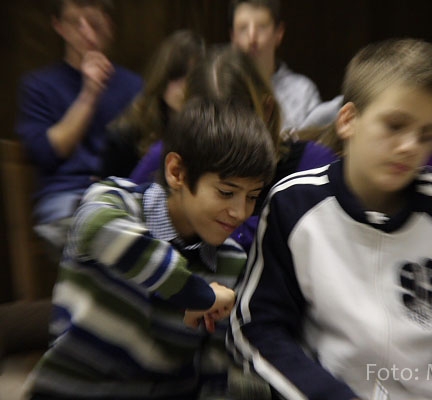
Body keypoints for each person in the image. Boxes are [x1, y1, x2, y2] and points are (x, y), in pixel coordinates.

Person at [228, 38, 432, 400]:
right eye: (395, 126)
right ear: (348, 120)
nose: (411, 146)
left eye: (427, 135)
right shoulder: (292, 204)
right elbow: (258, 327)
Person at [24, 99, 277, 400]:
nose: (240, 212)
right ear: (176, 172)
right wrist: (198, 294)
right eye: (226, 192)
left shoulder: (231, 260)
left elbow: (215, 369)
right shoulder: (114, 201)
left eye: (252, 197)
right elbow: (96, 227)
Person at [132, 46, 337, 251]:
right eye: (209, 124)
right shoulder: (170, 155)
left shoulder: (313, 165)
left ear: (267, 110)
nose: (227, 136)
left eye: (252, 196)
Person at [15, 0, 143, 253]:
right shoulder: (38, 86)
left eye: (95, 24)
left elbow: (147, 151)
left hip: (124, 197)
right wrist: (90, 92)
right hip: (67, 197)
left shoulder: (133, 86)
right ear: (59, 26)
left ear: (109, 25)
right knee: (112, 238)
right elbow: (47, 153)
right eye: (75, 23)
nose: (87, 34)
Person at [100, 29, 205, 179]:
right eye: (177, 75)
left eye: (192, 78)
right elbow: (107, 186)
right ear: (163, 77)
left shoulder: (209, 127)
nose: (184, 87)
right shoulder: (126, 132)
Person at [229, 0, 321, 134]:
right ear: (233, 36)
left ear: (279, 33)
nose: (252, 38)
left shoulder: (303, 93)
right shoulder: (222, 89)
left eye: (261, 27)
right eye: (243, 28)